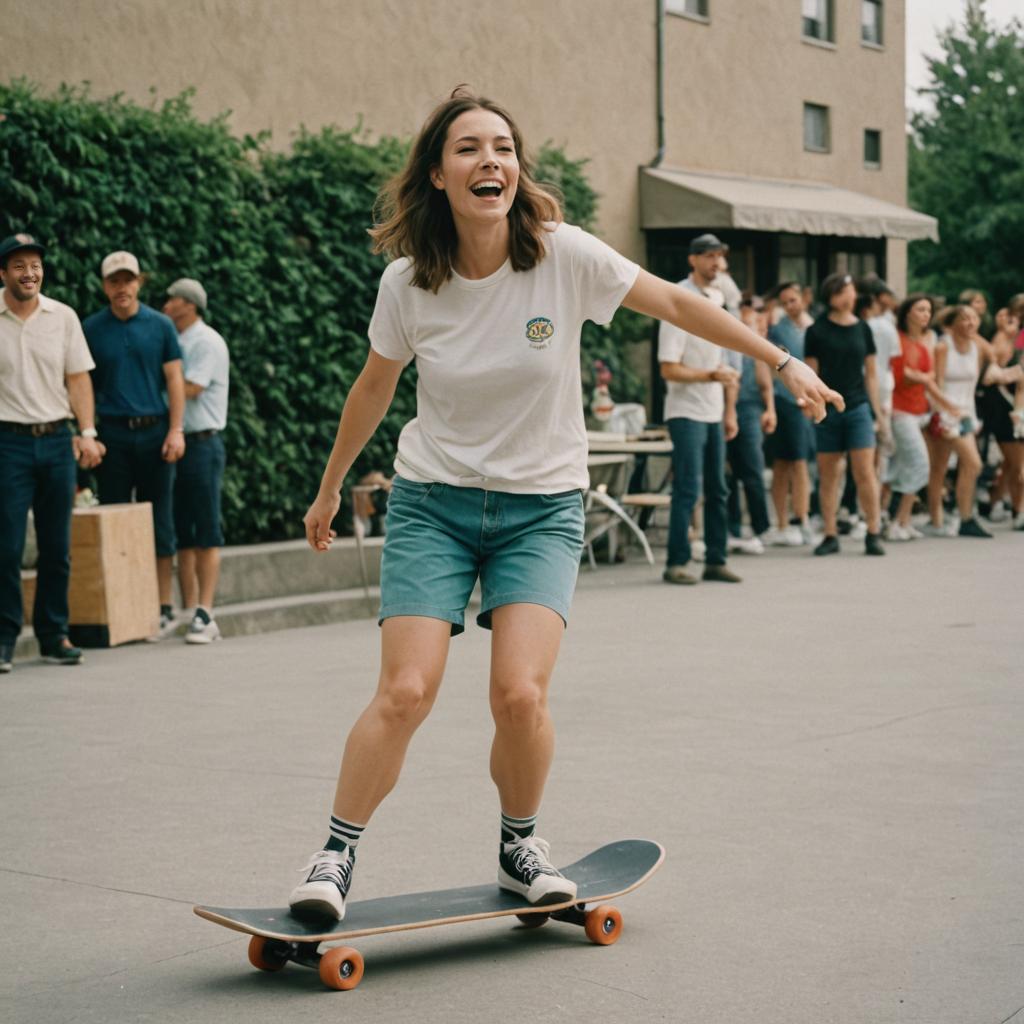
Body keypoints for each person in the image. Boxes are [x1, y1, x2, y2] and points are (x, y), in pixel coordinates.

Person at [287, 89, 840, 921]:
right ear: (438, 175)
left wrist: (779, 361)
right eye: (469, 149)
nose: (491, 162)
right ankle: (333, 855)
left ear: (518, 168)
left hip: (540, 508)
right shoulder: (409, 282)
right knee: (405, 690)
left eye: (503, 148)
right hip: (434, 503)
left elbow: (681, 302)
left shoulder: (562, 256)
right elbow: (375, 387)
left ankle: (520, 844)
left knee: (521, 696)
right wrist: (330, 488)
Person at [0, 233, 104, 672]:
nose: (30, 273)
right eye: (20, 266)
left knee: (57, 546)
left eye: (36, 265)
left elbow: (77, 378)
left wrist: (87, 431)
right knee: (5, 545)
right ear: (3, 273)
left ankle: (53, 635)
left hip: (57, 440)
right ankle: (4, 639)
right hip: (8, 442)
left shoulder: (62, 317)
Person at [83, 252, 185, 634]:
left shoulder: (160, 326)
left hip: (155, 432)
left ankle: (162, 605)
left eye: (128, 280)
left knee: (160, 519)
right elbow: (84, 384)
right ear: (105, 285)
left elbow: (175, 380)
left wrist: (176, 430)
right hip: (112, 436)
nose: (121, 287)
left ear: (139, 282)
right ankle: (118, 605)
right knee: (112, 518)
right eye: (114, 281)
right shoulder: (91, 328)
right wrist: (88, 431)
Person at [659, 234, 743, 584]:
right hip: (685, 411)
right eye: (709, 256)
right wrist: (710, 375)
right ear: (693, 259)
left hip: (713, 409)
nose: (716, 263)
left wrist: (729, 411)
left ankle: (715, 559)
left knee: (719, 487)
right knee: (688, 488)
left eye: (719, 257)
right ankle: (676, 562)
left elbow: (723, 360)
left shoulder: (718, 299)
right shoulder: (678, 301)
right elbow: (668, 367)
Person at [162, 278, 230, 643]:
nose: (166, 305)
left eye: (172, 299)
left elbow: (191, 389)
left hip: (202, 443)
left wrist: (153, 387)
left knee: (206, 529)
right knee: (182, 533)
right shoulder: (177, 340)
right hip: (178, 443)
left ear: (189, 304)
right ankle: (188, 610)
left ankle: (207, 611)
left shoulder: (206, 341)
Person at [804, 273, 886, 556]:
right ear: (831, 296)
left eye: (851, 290)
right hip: (828, 409)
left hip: (858, 406)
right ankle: (830, 533)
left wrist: (878, 412)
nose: (848, 296)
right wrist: (814, 406)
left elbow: (872, 374)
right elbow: (810, 373)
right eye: (842, 291)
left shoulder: (863, 329)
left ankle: (873, 531)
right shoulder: (816, 331)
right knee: (829, 474)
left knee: (864, 471)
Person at [886, 294, 958, 540]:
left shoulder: (921, 345)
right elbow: (898, 375)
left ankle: (899, 521)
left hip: (919, 412)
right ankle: (895, 522)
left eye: (928, 310)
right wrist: (920, 377)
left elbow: (930, 381)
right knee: (919, 466)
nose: (926, 315)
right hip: (899, 411)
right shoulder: (898, 339)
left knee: (899, 469)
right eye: (920, 310)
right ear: (908, 313)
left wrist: (948, 404)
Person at [926, 305, 992, 538]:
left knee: (942, 467)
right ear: (952, 324)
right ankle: (962, 517)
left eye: (974, 319)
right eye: (964, 319)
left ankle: (942, 518)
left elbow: (993, 355)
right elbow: (937, 382)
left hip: (967, 413)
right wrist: (943, 410)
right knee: (972, 464)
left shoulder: (976, 348)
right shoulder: (944, 347)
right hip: (946, 413)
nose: (970, 323)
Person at [725, 296, 776, 554]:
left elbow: (764, 379)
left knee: (753, 469)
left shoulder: (755, 340)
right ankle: (732, 528)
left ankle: (761, 526)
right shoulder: (726, 332)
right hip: (724, 406)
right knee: (728, 473)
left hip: (750, 407)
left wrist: (770, 408)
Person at [764, 282, 814, 545]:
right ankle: (786, 521)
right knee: (787, 463)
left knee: (800, 461)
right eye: (785, 302)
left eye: (793, 300)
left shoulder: (813, 326)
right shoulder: (778, 330)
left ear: (805, 298)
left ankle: (801, 518)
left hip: (809, 400)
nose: (790, 306)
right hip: (787, 401)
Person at [977, 311, 1024, 529]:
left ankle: (994, 501)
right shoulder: (1006, 341)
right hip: (1008, 410)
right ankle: (1019, 511)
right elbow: (995, 369)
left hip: (1013, 407)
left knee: (1011, 464)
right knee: (1017, 465)